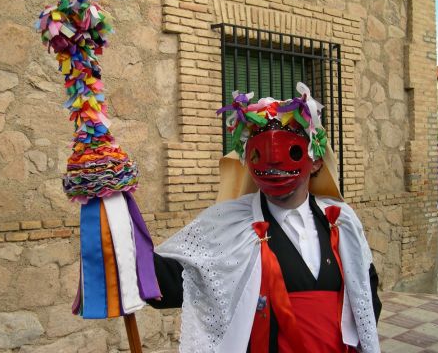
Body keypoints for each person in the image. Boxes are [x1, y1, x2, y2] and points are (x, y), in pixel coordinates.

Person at [147, 84, 381, 353]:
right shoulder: (229, 224)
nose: (274, 166)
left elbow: (365, 293)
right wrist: (118, 231)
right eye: (260, 155)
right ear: (249, 159)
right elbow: (171, 280)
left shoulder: (341, 220)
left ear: (315, 160)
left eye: (292, 151)